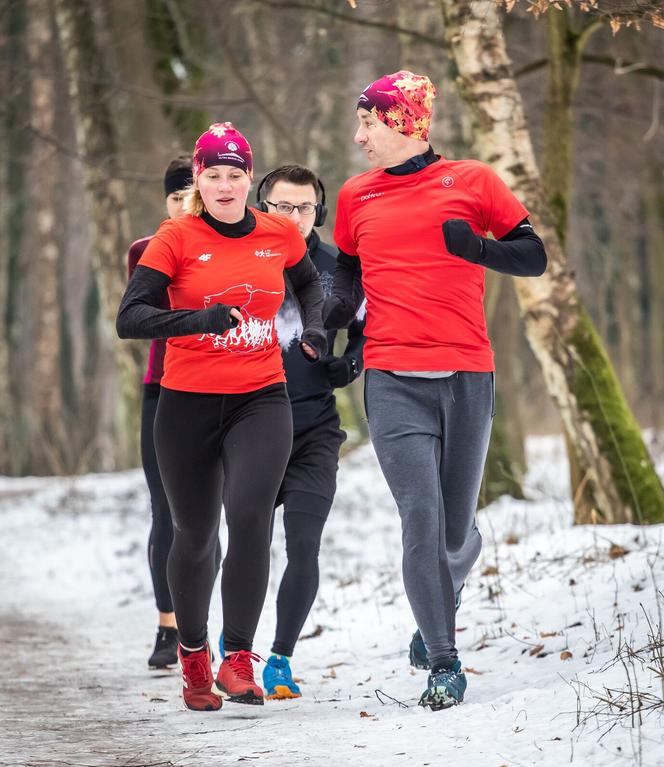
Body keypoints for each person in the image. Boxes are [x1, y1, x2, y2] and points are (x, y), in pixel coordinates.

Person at [324, 71, 547, 711]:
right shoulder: (355, 195)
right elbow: (347, 269)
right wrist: (339, 309)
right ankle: (444, 661)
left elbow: (533, 257)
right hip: (392, 376)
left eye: (368, 121)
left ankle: (439, 594)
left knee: (454, 532)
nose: (358, 135)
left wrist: (477, 248)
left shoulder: (473, 181)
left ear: (404, 122)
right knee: (419, 519)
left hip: (467, 372)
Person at [117, 122, 326, 712]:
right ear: (199, 181)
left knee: (252, 516)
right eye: (214, 175)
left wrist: (311, 330)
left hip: (262, 395)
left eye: (236, 175)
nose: (226, 185)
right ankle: (192, 655)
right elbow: (129, 318)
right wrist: (198, 321)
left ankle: (238, 658)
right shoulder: (174, 238)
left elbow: (310, 287)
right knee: (196, 532)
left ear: (249, 179)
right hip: (185, 402)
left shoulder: (278, 232)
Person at [252, 164, 365, 699]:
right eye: (282, 206)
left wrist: (353, 362)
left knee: (304, 544)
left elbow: (367, 322)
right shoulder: (242, 256)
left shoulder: (335, 266)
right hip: (246, 425)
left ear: (318, 212)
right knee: (244, 545)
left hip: (315, 426)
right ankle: (227, 652)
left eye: (305, 208)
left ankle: (280, 659)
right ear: (261, 205)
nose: (294, 218)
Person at [127, 155, 222, 671]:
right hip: (162, 389)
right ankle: (169, 625)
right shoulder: (148, 250)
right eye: (176, 195)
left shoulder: (236, 244)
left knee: (213, 515)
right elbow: (149, 317)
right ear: (167, 201)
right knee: (167, 509)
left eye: (196, 192)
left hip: (222, 390)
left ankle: (203, 625)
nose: (187, 203)